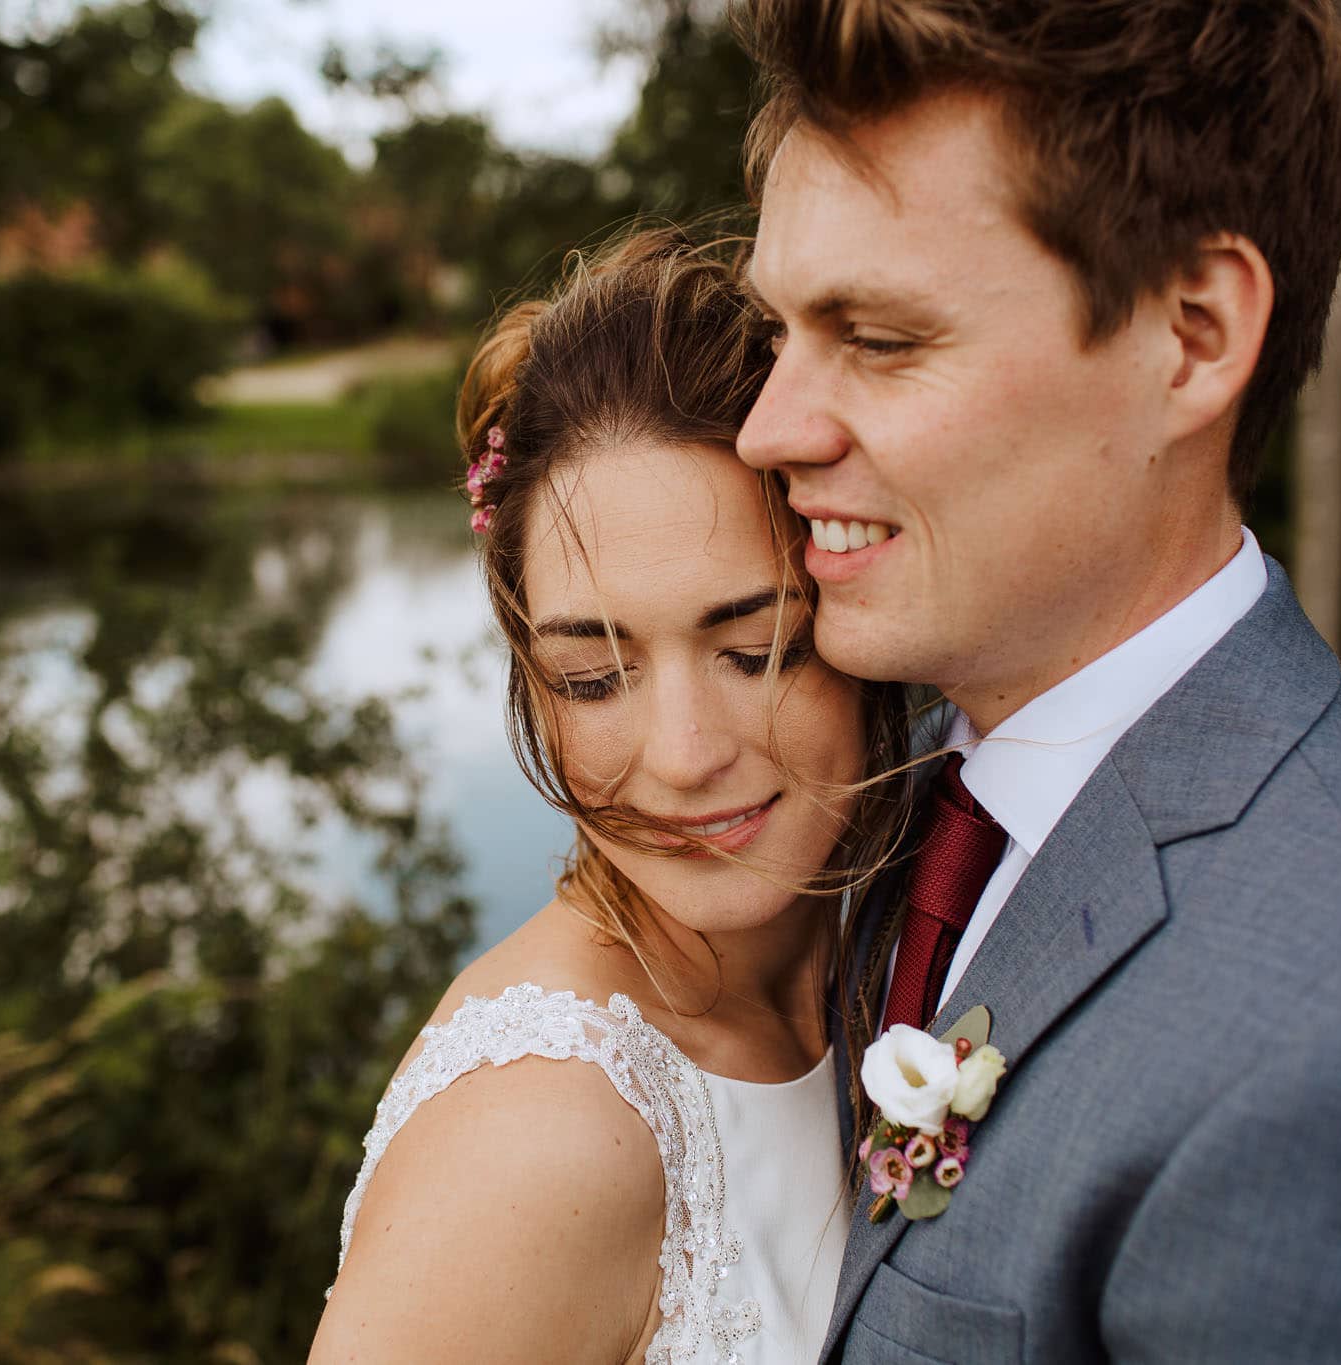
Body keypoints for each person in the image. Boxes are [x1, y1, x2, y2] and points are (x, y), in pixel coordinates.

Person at [733, 2, 1341, 1361]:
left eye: (882, 337)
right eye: (780, 332)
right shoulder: (869, 801)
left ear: (1192, 339)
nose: (768, 427)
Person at [309, 228, 916, 1365]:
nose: (682, 755)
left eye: (756, 649)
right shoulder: (542, 1135)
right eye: (593, 678)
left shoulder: (904, 946)